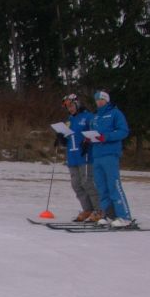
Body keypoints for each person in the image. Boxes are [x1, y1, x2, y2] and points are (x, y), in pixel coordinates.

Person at [90, 90, 133, 228]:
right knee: (102, 187)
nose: (99, 102)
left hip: (110, 154)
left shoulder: (115, 113)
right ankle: (109, 215)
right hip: (97, 155)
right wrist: (88, 139)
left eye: (101, 100)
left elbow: (123, 131)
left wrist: (106, 137)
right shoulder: (95, 116)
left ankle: (124, 217)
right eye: (97, 100)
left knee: (114, 185)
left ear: (107, 100)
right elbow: (93, 133)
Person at [56, 93, 101, 222]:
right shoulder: (69, 120)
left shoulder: (88, 117)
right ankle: (87, 209)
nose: (70, 109)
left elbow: (96, 134)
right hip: (72, 157)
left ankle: (99, 210)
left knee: (87, 183)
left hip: (85, 156)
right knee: (76, 185)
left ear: (77, 104)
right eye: (67, 107)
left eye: (71, 106)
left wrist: (88, 141)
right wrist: (61, 138)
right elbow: (68, 138)